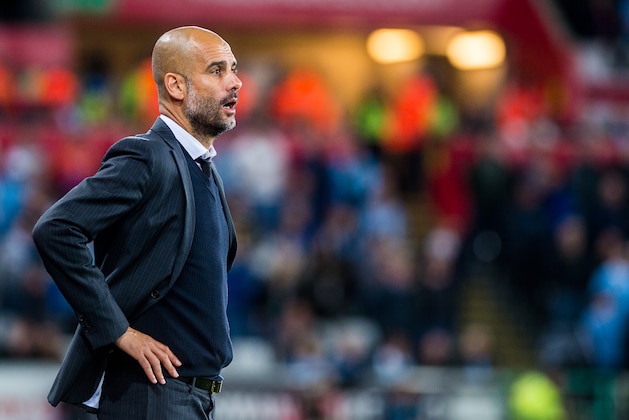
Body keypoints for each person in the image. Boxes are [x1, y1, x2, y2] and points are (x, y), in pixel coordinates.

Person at [31, 26, 241, 419]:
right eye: (217, 70)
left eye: (233, 68)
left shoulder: (205, 170)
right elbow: (57, 229)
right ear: (176, 86)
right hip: (152, 398)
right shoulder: (148, 157)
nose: (235, 82)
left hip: (190, 399)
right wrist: (117, 331)